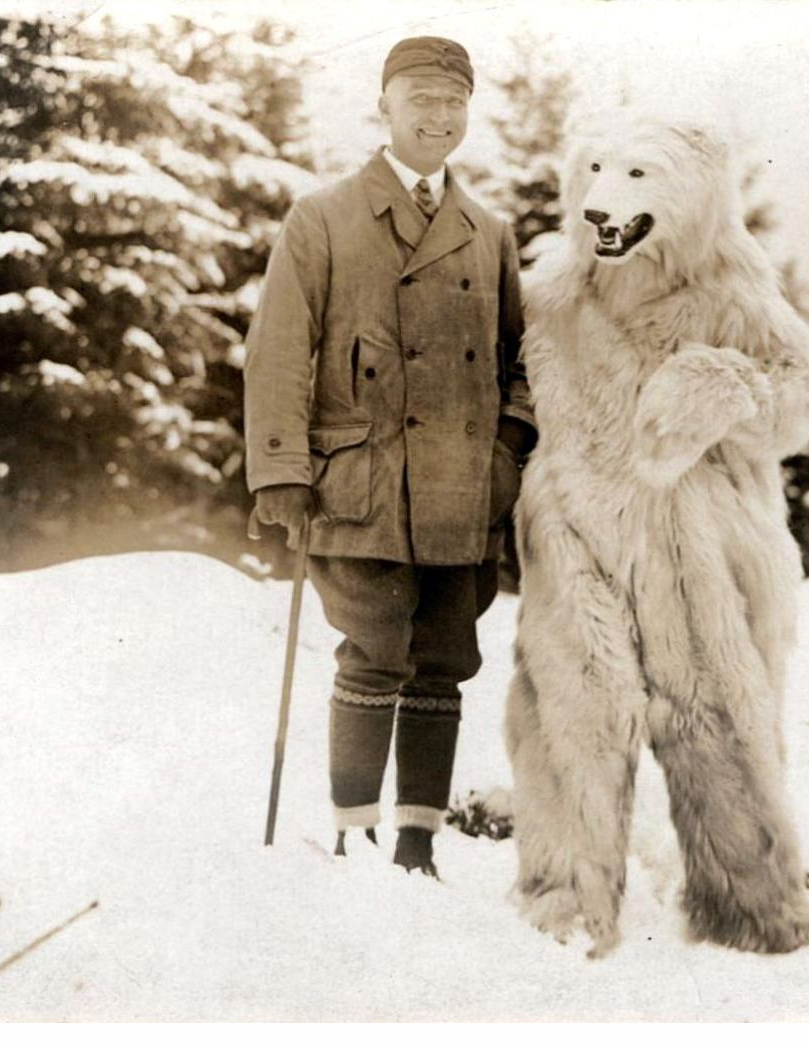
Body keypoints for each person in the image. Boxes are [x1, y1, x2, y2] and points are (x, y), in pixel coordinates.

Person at [244, 36, 535, 878]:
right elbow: (276, 352)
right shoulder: (324, 217)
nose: (437, 119)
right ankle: (350, 836)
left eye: (453, 104)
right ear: (385, 106)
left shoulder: (489, 231)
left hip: (460, 488)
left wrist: (507, 451)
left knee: (442, 656)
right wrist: (282, 471)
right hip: (357, 483)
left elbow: (524, 361)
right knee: (373, 648)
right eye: (420, 101)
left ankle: (416, 845)